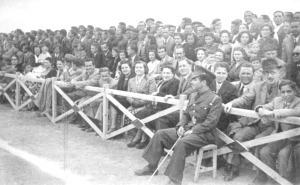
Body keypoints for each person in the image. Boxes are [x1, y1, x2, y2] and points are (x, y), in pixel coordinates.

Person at [134, 65, 222, 185]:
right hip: (188, 130)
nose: (192, 82)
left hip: (204, 133)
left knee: (181, 143)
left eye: (195, 80)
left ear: (204, 82)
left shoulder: (215, 99)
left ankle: (174, 179)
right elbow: (186, 114)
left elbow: (210, 122)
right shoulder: (193, 95)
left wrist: (193, 131)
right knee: (160, 134)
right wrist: (180, 125)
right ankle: (151, 167)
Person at [223, 58, 283, 182]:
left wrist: (264, 109)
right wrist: (231, 103)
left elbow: (278, 104)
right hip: (256, 123)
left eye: (272, 73)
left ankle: (263, 175)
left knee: (259, 142)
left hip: (275, 126)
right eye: (266, 73)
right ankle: (233, 168)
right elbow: (245, 98)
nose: (270, 76)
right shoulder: (258, 86)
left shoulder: (284, 87)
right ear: (263, 74)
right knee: (238, 137)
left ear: (279, 73)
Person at [251, 80, 300, 185]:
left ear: (295, 91)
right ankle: (272, 180)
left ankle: (285, 181)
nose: (285, 94)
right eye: (283, 92)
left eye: (289, 91)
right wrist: (261, 110)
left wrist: (272, 113)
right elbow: (265, 106)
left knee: (283, 154)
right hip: (279, 137)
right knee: (264, 151)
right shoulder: (277, 100)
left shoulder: (298, 102)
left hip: (295, 140)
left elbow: (295, 111)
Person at [128, 65, 180, 149]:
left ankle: (142, 138)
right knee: (136, 116)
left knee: (141, 115)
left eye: (168, 73)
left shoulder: (175, 82)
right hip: (156, 106)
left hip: (166, 109)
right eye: (164, 73)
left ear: (173, 74)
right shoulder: (162, 81)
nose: (165, 75)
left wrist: (157, 94)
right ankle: (141, 136)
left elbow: (171, 95)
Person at [125, 61, 156, 146]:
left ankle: (142, 138)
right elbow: (128, 94)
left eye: (140, 67)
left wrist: (140, 103)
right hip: (134, 104)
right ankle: (138, 134)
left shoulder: (150, 79)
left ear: (145, 69)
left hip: (146, 105)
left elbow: (151, 94)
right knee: (127, 114)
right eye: (136, 67)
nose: (138, 69)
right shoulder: (131, 80)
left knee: (138, 115)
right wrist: (132, 102)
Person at [64, 58, 100, 124]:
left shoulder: (97, 73)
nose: (88, 67)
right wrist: (75, 82)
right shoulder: (84, 72)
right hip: (85, 93)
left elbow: (90, 82)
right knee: (68, 98)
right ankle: (75, 114)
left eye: (90, 66)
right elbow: (74, 79)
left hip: (94, 95)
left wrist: (76, 84)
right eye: (86, 66)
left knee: (75, 100)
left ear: (94, 66)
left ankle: (76, 116)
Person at [211, 62, 238, 132]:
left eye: (223, 73)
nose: (221, 75)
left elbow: (232, 105)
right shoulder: (208, 84)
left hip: (222, 118)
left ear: (227, 74)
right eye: (218, 73)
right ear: (214, 73)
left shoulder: (232, 88)